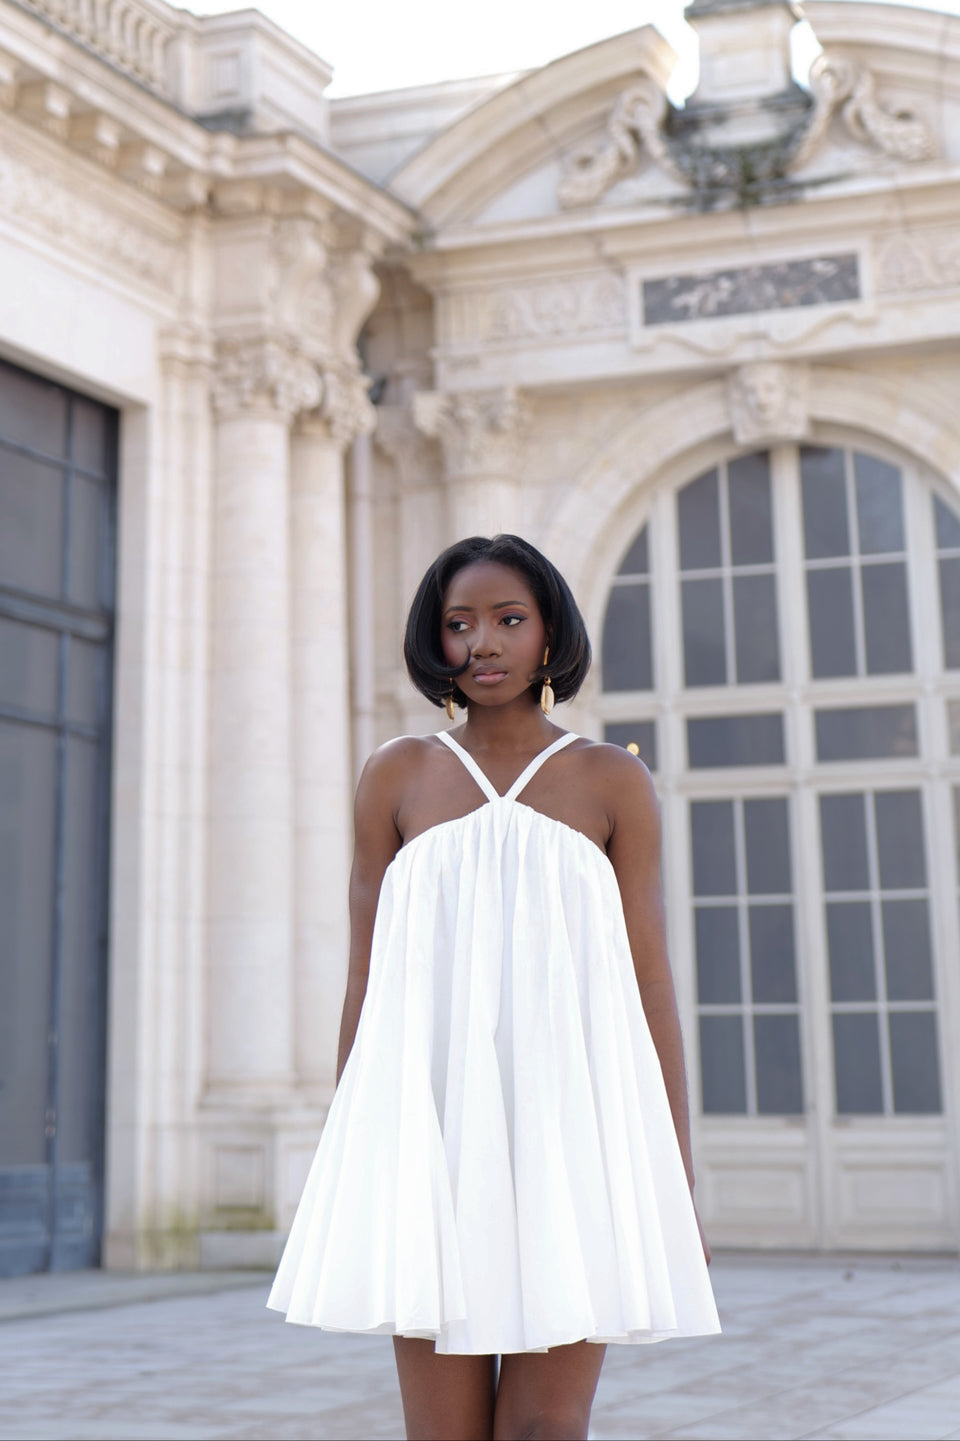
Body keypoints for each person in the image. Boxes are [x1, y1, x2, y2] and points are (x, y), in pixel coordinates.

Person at [268, 534, 720, 1441]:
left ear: (549, 633)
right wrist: (355, 1141)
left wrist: (672, 1161)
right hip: (429, 1139)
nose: (483, 643)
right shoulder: (395, 775)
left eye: (509, 620)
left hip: (575, 1142)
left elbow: (651, 979)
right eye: (460, 623)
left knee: (547, 1428)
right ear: (436, 641)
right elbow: (367, 968)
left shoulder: (611, 781)